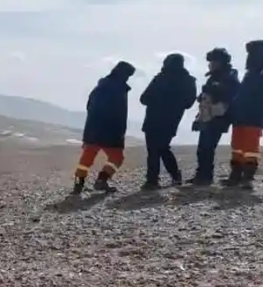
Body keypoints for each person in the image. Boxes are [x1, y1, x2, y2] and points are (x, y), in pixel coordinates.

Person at [223, 40, 263, 189]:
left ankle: (247, 178)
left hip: (255, 116)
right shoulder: (252, 71)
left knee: (249, 148)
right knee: (237, 146)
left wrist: (255, 99)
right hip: (240, 115)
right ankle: (235, 176)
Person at [73, 61, 136, 195]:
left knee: (87, 157)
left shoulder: (101, 86)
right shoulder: (118, 89)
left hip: (93, 129)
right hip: (111, 131)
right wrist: (118, 130)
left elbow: (90, 106)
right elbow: (117, 113)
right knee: (117, 157)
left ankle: (79, 184)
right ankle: (102, 180)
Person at [138, 53, 198, 190]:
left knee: (155, 150)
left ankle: (153, 180)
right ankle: (172, 176)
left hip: (154, 118)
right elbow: (188, 103)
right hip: (170, 120)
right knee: (162, 148)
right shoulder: (188, 80)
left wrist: (158, 100)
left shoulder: (160, 78)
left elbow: (144, 98)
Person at [190, 48, 240, 186]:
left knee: (207, 147)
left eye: (214, 61)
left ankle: (205, 176)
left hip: (218, 117)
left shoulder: (229, 76)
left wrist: (212, 90)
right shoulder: (216, 77)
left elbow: (230, 94)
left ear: (221, 62)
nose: (211, 64)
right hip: (209, 116)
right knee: (203, 148)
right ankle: (202, 174)